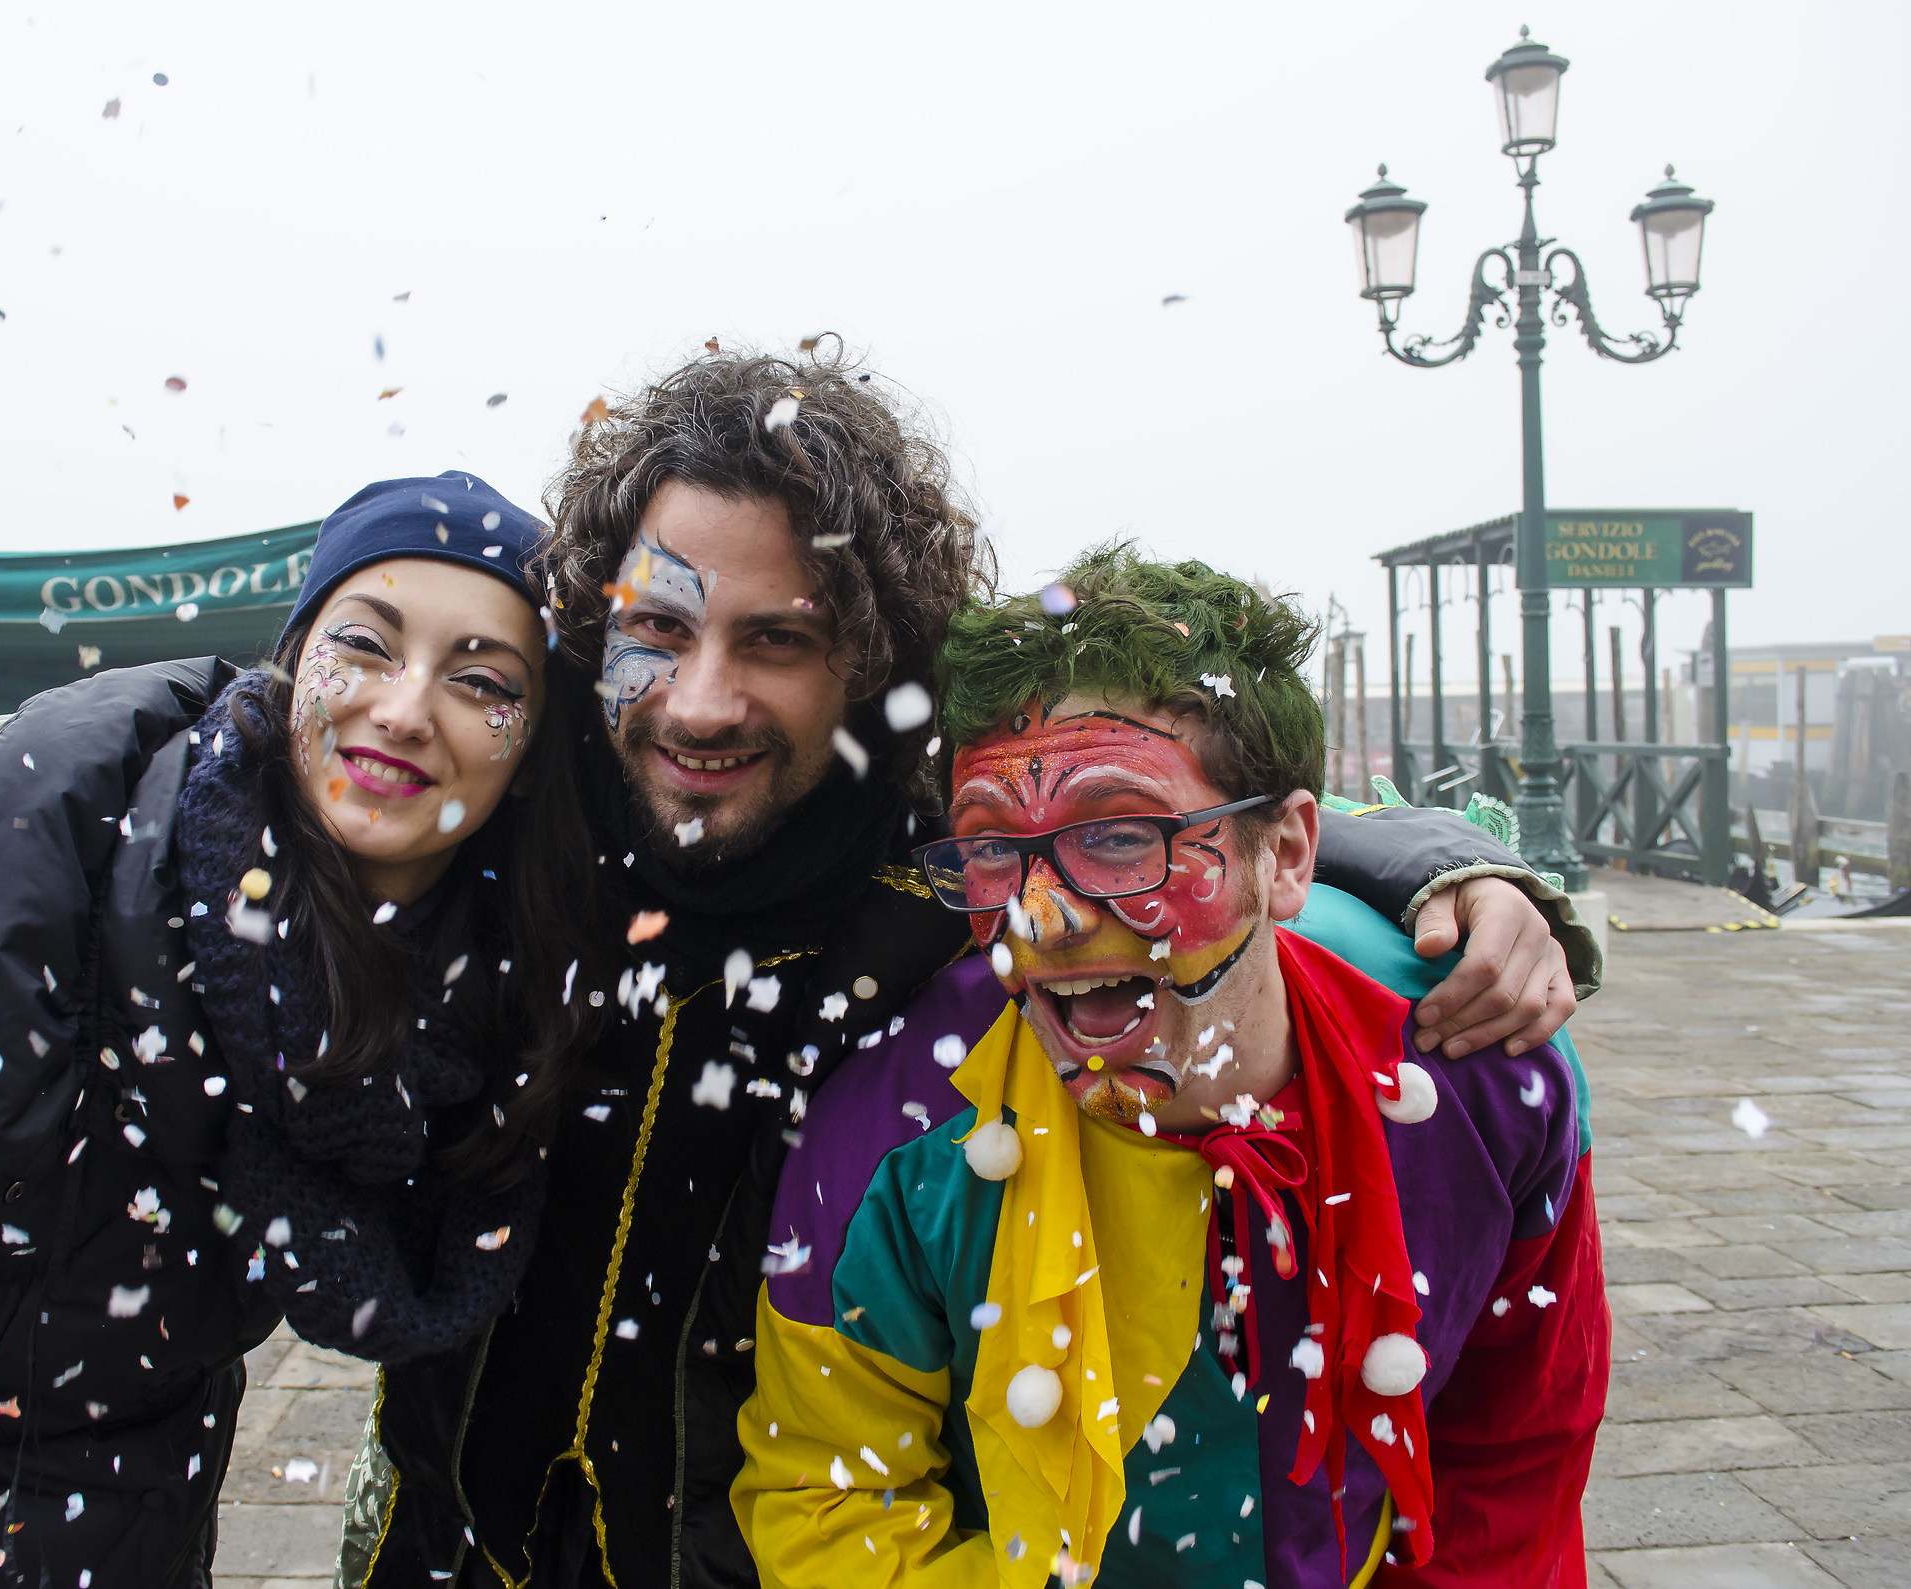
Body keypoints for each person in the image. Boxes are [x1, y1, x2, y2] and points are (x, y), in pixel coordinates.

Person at [339, 347, 1600, 1588]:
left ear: (869, 665)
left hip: (728, 1546)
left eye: (775, 639)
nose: (701, 700)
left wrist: (1435, 860)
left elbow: (1163, 816)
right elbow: (283, 751)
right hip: (453, 1535)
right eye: (658, 626)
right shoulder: (489, 822)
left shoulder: (932, 885)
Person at [0, 473, 612, 1588]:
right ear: (287, 671)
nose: (407, 705)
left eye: (480, 678)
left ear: (531, 747)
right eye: (364, 643)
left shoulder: (464, 1009)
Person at [732, 546, 1609, 1587]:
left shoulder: (1483, 1077)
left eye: (1117, 834)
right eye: (993, 847)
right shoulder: (890, 1136)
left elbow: (1515, 1453)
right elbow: (826, 1499)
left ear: (1285, 856)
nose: (1039, 917)